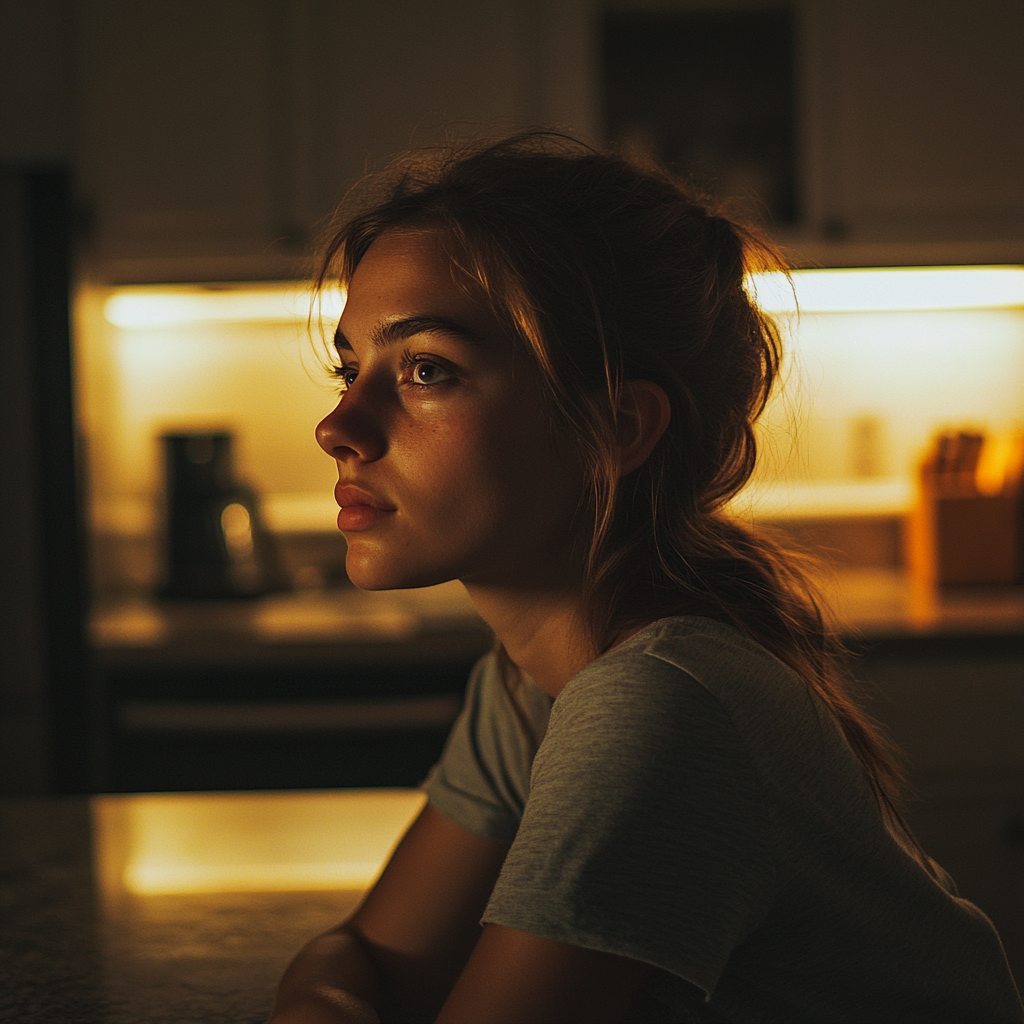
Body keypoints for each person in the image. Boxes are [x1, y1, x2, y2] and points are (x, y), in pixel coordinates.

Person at [270, 134, 1022, 1024]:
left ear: (615, 429)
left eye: (428, 369)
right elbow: (371, 957)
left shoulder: (659, 706)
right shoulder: (528, 687)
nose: (338, 424)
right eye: (351, 367)